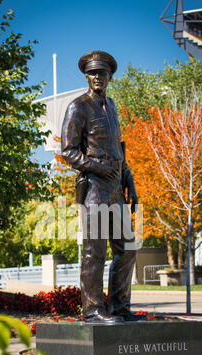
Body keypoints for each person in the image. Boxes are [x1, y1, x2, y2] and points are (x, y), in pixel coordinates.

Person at [61, 51, 139, 324]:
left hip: (116, 188)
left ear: (109, 76)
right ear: (86, 76)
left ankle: (119, 308)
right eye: (93, 73)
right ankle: (93, 310)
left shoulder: (112, 106)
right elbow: (68, 151)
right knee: (95, 252)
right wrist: (97, 166)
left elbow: (119, 149)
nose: (98, 77)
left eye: (102, 73)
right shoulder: (78, 107)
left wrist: (128, 179)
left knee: (128, 248)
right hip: (94, 189)